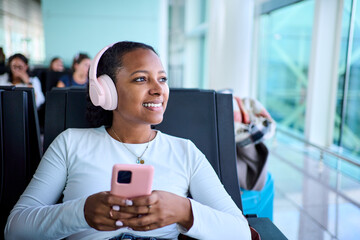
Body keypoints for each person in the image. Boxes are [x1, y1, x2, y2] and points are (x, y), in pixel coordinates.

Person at [4, 41, 252, 240]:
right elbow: (15, 230)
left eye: (162, 79)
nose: (158, 89)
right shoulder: (70, 144)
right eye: (141, 79)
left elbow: (240, 232)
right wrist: (80, 213)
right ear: (106, 91)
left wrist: (184, 211)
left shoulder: (185, 151)